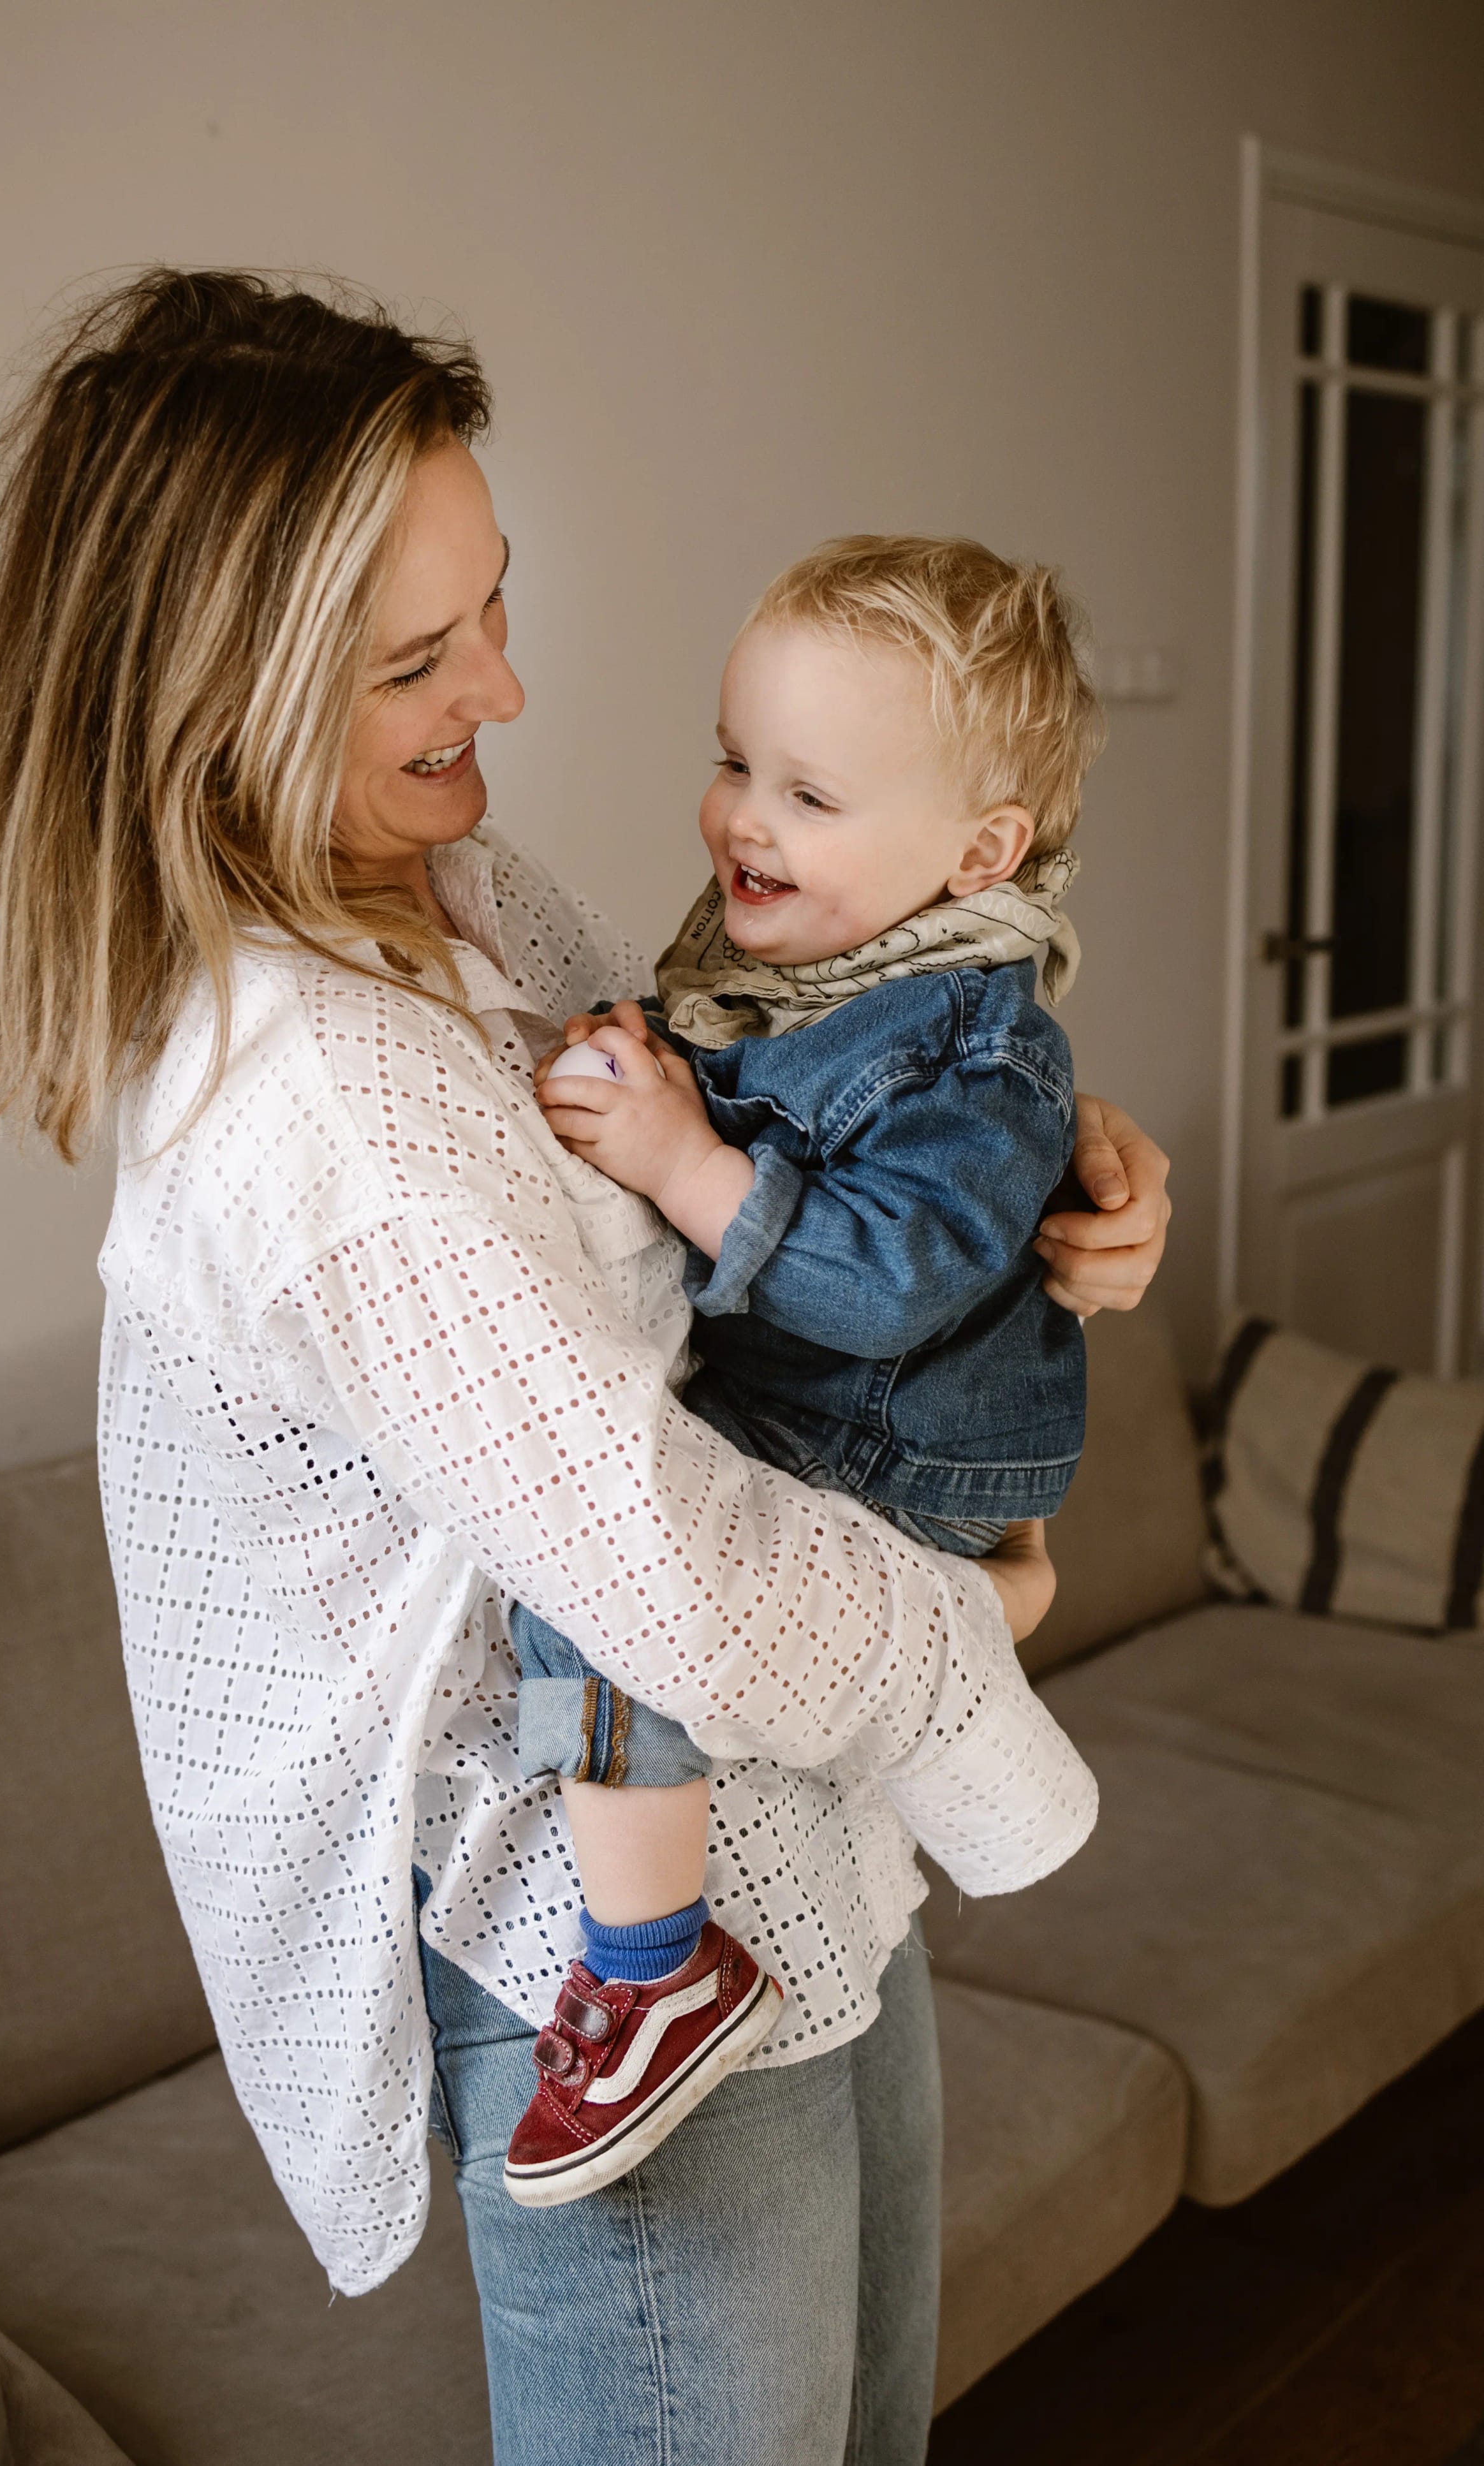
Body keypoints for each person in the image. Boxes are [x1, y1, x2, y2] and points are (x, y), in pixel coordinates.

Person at [0, 267, 1170, 2466]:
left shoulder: (463, 888)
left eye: (491, 604)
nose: (505, 685)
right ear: (220, 692)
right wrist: (986, 1626)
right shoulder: (324, 1107)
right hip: (612, 1955)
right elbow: (669, 1574)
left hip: (816, 1847)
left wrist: (1042, 1173)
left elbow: (761, 1107)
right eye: (417, 661)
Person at [504, 533, 1102, 2208]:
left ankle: (649, 1957)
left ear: (979, 850)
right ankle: (652, 1797)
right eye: (731, 759)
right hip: (818, 1401)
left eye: (810, 792)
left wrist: (681, 1155)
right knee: (554, 1587)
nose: (744, 817)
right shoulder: (791, 954)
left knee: (604, 1580)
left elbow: (881, 1277)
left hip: (902, 1429)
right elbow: (722, 1085)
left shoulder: (981, 1043)